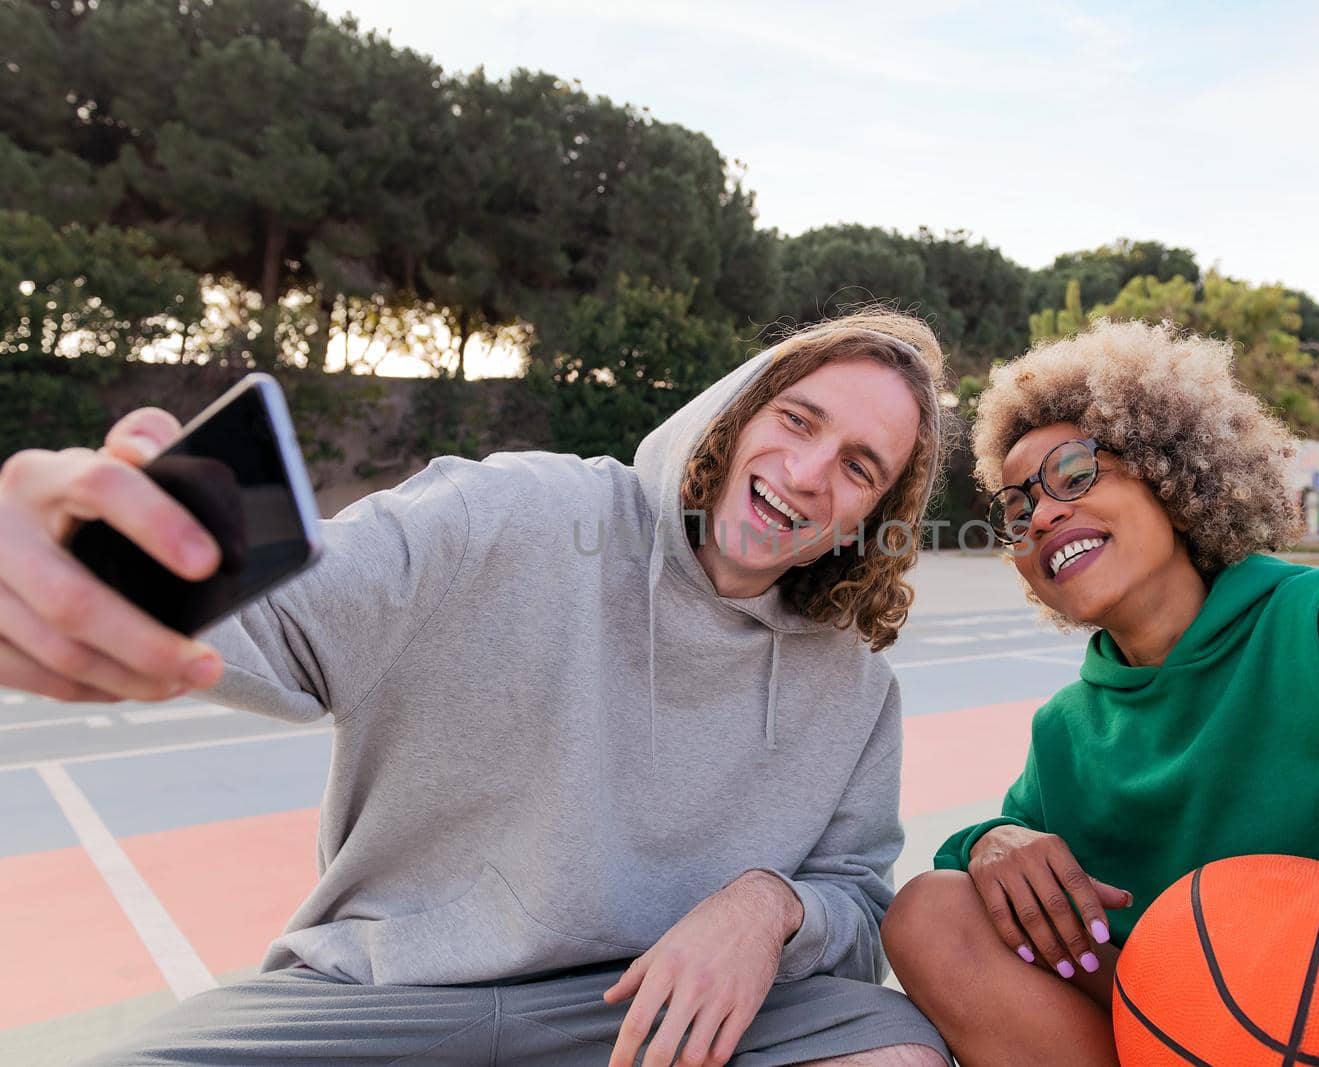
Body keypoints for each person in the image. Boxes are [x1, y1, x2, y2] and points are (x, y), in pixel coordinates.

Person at [0, 310, 953, 1066]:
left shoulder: (855, 687)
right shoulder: (515, 512)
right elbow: (287, 616)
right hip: (383, 996)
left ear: (873, 515)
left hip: (642, 1018)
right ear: (737, 411)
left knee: (897, 1050)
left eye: (860, 466)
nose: (808, 470)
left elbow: (857, 902)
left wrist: (770, 905)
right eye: (798, 418)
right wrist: (95, 557)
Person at [881, 319, 1319, 1066]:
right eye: (1017, 509)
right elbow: (992, 868)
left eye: (1075, 472)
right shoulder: (1066, 734)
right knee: (934, 910)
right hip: (1198, 1031)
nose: (1045, 515)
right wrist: (992, 840)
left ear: (1170, 470)